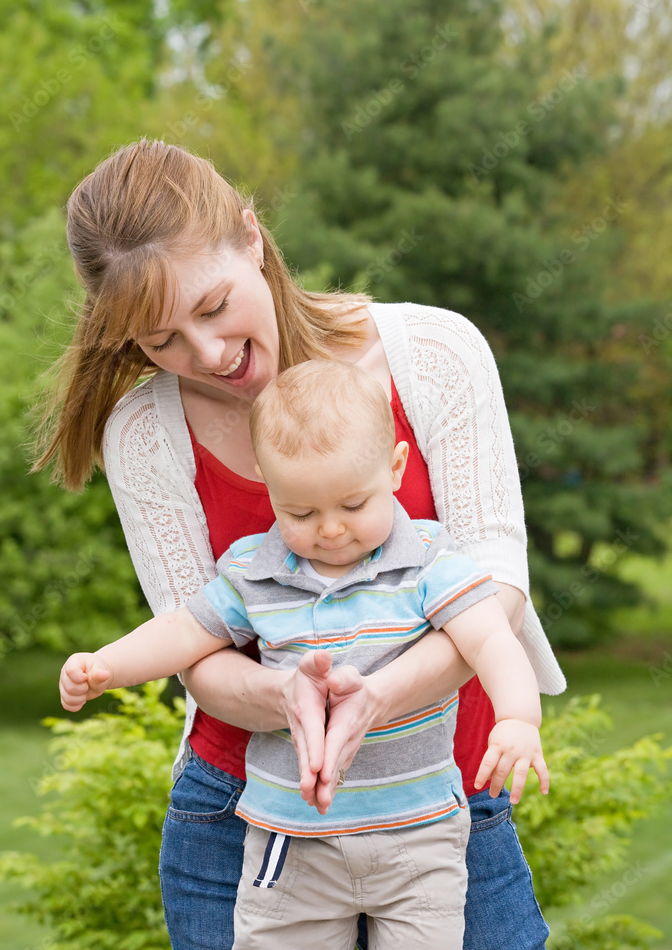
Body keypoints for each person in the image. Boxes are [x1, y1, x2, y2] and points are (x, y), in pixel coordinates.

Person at [35, 138, 566, 950]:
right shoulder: (145, 436)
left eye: (214, 307)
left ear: (252, 237)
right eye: (159, 340)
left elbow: (497, 589)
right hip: (248, 822)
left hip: (445, 805)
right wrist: (283, 696)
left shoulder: (433, 356)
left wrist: (377, 697)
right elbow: (197, 649)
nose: (207, 355)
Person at [59, 359, 549, 950]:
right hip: (292, 839)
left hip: (419, 838)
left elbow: (491, 638)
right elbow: (184, 631)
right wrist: (107, 665)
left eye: (353, 505)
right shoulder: (254, 572)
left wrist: (518, 717)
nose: (331, 529)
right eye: (301, 513)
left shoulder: (428, 562)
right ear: (268, 486)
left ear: (395, 468)